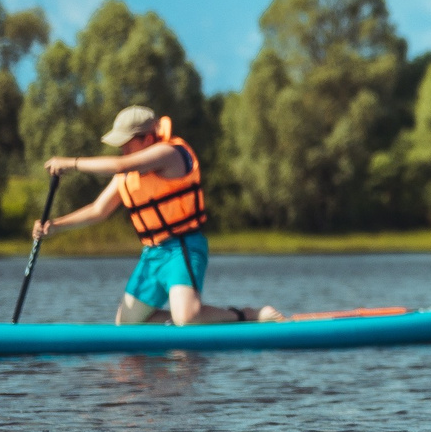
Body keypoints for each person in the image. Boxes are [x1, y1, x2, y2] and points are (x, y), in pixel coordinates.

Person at [33, 105, 283, 325]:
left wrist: (72, 163)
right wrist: (55, 226)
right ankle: (181, 329)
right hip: (153, 254)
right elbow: (99, 210)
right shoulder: (128, 170)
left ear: (148, 137)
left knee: (187, 317)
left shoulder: (169, 153)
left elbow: (120, 166)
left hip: (182, 248)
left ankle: (248, 315)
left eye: (127, 143)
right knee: (127, 323)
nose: (123, 149)